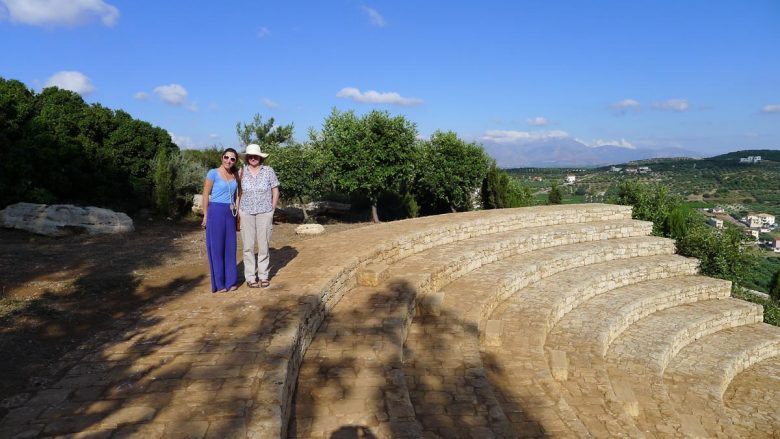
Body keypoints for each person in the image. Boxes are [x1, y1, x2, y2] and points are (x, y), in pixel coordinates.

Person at [238, 143, 279, 288]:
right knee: (248, 246)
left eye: (256, 156)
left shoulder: (268, 171)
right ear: (247, 158)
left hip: (265, 212)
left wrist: (271, 210)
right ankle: (250, 277)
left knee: (263, 245)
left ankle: (263, 275)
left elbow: (275, 190)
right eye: (250, 156)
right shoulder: (241, 171)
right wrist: (238, 211)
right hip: (246, 211)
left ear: (260, 157)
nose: (253, 158)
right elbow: (239, 193)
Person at [201, 148, 240, 293]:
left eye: (232, 159)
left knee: (230, 247)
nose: (229, 161)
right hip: (215, 211)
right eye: (226, 157)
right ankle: (220, 283)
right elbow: (205, 195)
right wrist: (205, 215)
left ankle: (231, 281)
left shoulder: (236, 174)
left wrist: (237, 206)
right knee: (216, 248)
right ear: (222, 157)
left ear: (235, 161)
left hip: (230, 213)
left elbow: (238, 193)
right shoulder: (213, 173)